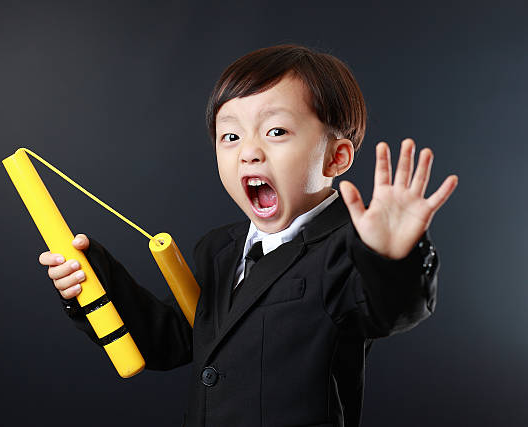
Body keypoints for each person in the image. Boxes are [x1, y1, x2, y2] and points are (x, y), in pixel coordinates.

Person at [38, 44, 458, 426]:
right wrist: (92, 276)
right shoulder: (217, 249)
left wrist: (392, 255)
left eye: (276, 131)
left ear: (336, 156)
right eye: (231, 136)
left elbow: (394, 308)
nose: (248, 151)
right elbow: (168, 341)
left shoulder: (348, 250)